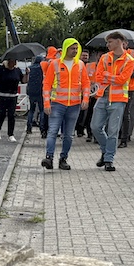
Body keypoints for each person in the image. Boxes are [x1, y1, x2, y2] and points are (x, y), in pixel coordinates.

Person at [89, 31, 134, 172]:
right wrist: (112, 77)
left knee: (113, 131)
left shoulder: (129, 60)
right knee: (95, 127)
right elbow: (98, 77)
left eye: (110, 42)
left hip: (118, 100)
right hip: (103, 97)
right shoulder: (105, 58)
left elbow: (123, 79)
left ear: (118, 42)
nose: (107, 45)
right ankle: (105, 151)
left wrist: (107, 75)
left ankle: (109, 159)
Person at [41, 38, 89, 170]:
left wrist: (85, 99)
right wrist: (46, 103)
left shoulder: (80, 64)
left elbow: (86, 83)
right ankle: (49, 158)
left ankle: (63, 159)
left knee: (68, 134)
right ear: (66, 48)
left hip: (74, 105)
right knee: (52, 131)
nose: (75, 51)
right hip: (57, 104)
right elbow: (47, 85)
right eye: (72, 48)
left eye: (76, 48)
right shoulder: (55, 64)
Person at [0, 56, 25, 142]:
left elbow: (24, 80)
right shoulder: (1, 69)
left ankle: (10, 134)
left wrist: (27, 74)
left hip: (13, 96)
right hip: (2, 95)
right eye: (13, 61)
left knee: (11, 115)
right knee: (2, 114)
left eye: (15, 61)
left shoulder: (17, 70)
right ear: (9, 61)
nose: (14, 63)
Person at [75, 50, 96, 140]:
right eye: (83, 55)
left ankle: (89, 132)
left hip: (93, 92)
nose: (85, 57)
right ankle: (80, 129)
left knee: (89, 114)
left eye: (86, 56)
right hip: (82, 92)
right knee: (82, 113)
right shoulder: (80, 65)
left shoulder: (89, 65)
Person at [24, 54, 46, 137]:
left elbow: (26, 79)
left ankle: (29, 128)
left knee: (31, 110)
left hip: (31, 91)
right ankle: (42, 129)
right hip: (40, 91)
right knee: (42, 110)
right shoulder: (42, 68)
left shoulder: (30, 68)